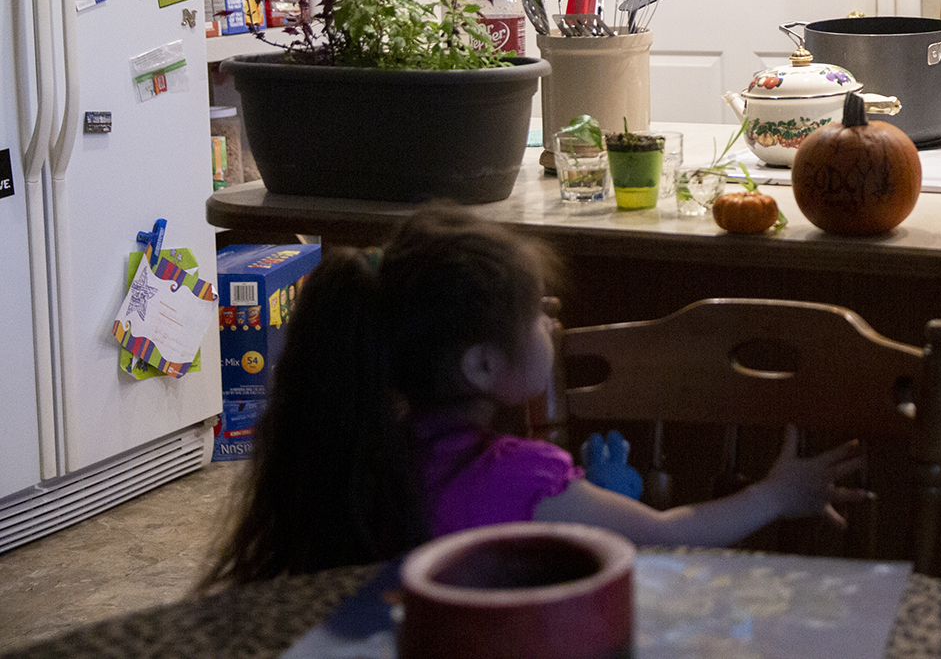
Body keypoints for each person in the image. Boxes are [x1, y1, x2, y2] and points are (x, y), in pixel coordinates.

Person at [205, 212, 864, 584]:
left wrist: (594, 500)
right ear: (484, 363)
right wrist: (778, 493)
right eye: (533, 317)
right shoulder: (525, 475)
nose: (551, 324)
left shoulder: (365, 450)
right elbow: (668, 535)